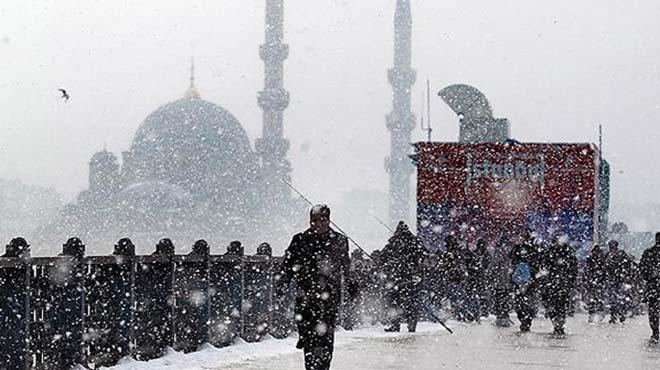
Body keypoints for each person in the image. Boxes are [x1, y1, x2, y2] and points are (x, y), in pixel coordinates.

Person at [276, 204, 350, 370]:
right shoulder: (299, 240)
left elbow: (346, 267)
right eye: (315, 220)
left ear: (329, 220)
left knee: (325, 340)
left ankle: (322, 365)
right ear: (310, 221)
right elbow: (287, 267)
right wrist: (281, 286)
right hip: (306, 299)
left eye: (322, 220)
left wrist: (351, 284)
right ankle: (310, 356)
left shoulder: (339, 241)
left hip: (329, 300)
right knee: (310, 339)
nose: (319, 224)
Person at [380, 221, 425, 332]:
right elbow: (424, 254)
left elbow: (382, 257)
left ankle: (395, 325)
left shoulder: (393, 242)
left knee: (394, 302)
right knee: (411, 302)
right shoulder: (414, 242)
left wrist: (387, 265)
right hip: (410, 278)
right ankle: (412, 325)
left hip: (396, 278)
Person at [542, 236, 578, 336]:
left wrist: (570, 280)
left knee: (560, 305)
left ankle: (559, 324)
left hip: (561, 283)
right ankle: (557, 323)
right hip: (554, 283)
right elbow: (544, 266)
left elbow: (573, 267)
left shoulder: (567, 252)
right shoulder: (550, 252)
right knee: (554, 305)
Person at [509, 234, 539, 332]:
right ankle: (526, 321)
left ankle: (524, 320)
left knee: (520, 302)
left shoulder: (518, 248)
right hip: (529, 282)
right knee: (527, 303)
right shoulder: (535, 249)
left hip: (521, 282)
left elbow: (511, 258)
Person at [639, 232, 660, 343]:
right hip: (653, 286)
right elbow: (642, 268)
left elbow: (642, 268)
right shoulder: (649, 253)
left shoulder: (649, 252)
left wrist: (649, 276)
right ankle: (655, 332)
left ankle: (655, 332)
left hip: (653, 287)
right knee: (653, 311)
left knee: (653, 311)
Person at [488, 236, 513, 327]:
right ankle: (505, 316)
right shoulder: (510, 254)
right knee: (505, 300)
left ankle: (500, 317)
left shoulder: (498, 254)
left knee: (499, 300)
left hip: (499, 282)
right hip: (507, 282)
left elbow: (491, 268)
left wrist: (490, 277)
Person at [605, 240, 630, 324]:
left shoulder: (620, 254)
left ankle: (620, 315)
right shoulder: (608, 255)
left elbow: (627, 265)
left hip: (618, 280)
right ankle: (614, 315)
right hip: (613, 280)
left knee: (619, 299)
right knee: (614, 299)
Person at [584, 244, 607, 322]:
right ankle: (594, 314)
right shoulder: (594, 259)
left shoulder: (598, 259)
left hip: (597, 281)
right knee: (595, 299)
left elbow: (587, 270)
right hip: (595, 281)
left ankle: (596, 314)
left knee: (596, 299)